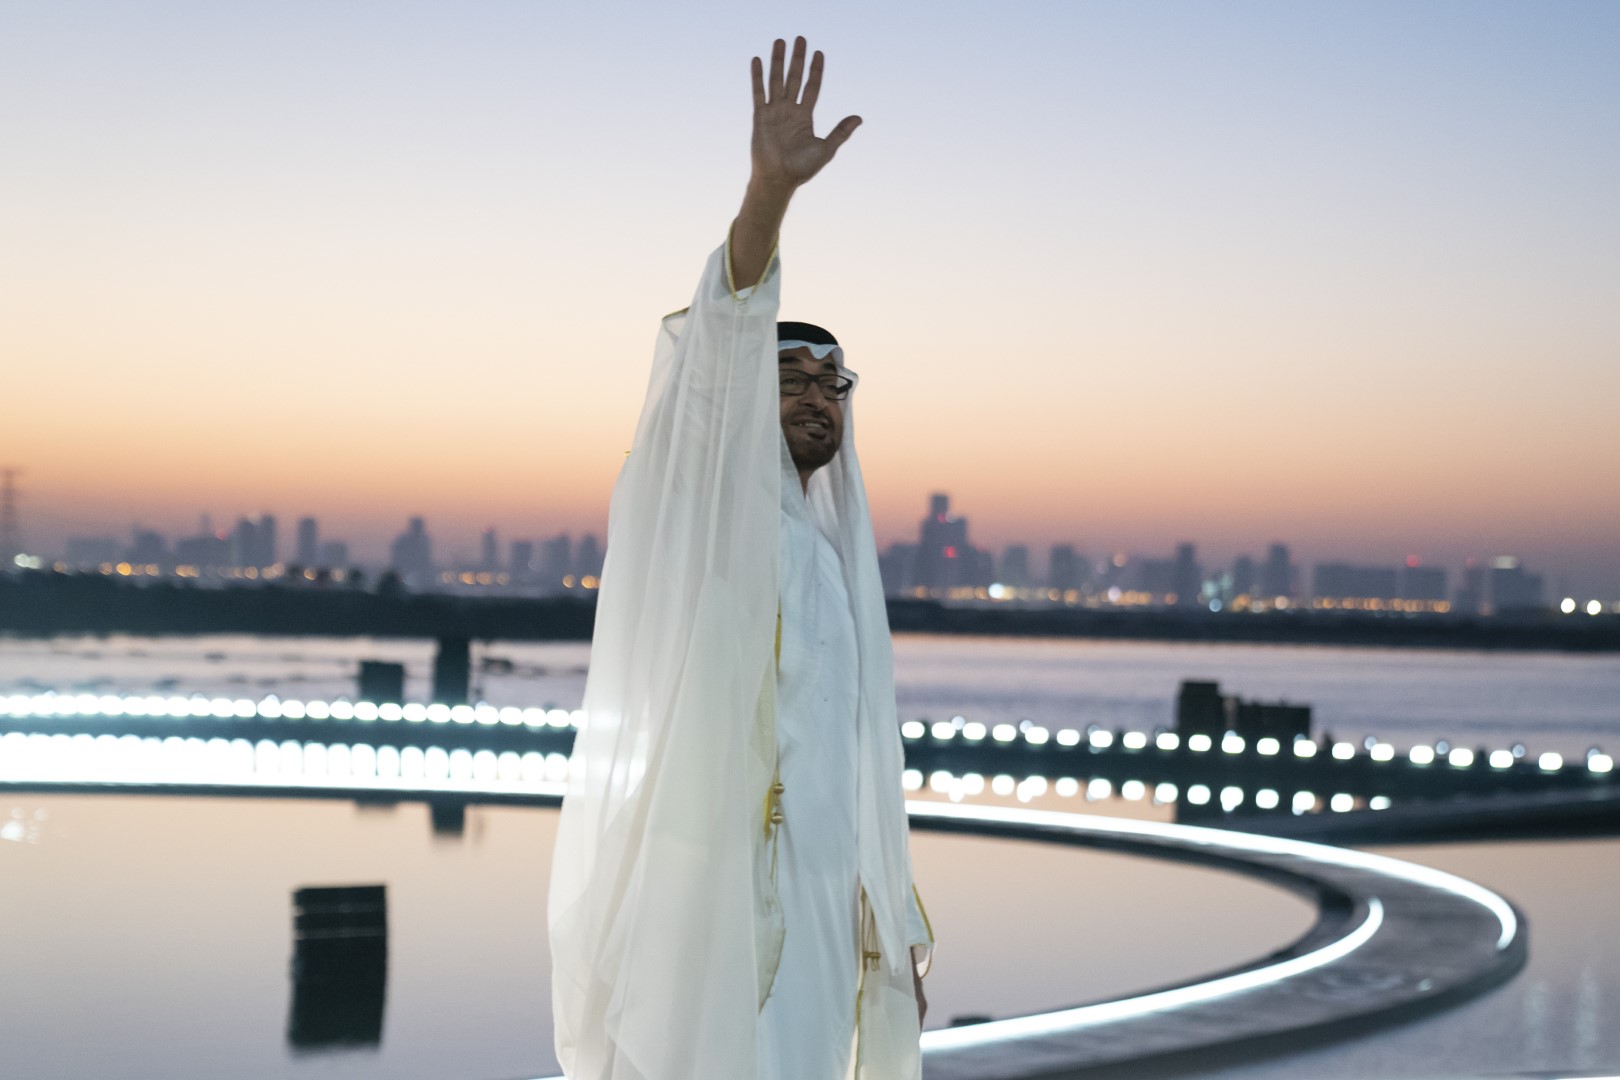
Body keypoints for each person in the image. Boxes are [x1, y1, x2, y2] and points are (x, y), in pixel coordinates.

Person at [548, 37, 932, 1080]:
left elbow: (845, 759)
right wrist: (768, 194)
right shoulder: (703, 506)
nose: (817, 399)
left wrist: (885, 913)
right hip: (710, 889)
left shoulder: (825, 554)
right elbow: (720, 329)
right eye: (791, 378)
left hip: (816, 895)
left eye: (832, 385)